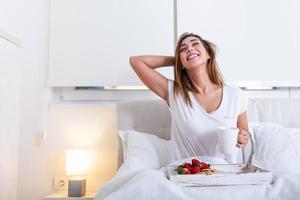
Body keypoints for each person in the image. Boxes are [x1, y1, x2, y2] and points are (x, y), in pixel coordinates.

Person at [129, 32, 250, 161]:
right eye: (183, 49)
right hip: (187, 175)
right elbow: (136, 61)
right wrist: (178, 60)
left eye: (195, 44)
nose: (190, 48)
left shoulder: (235, 95)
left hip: (226, 174)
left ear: (209, 54)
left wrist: (244, 138)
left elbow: (245, 133)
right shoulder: (174, 93)